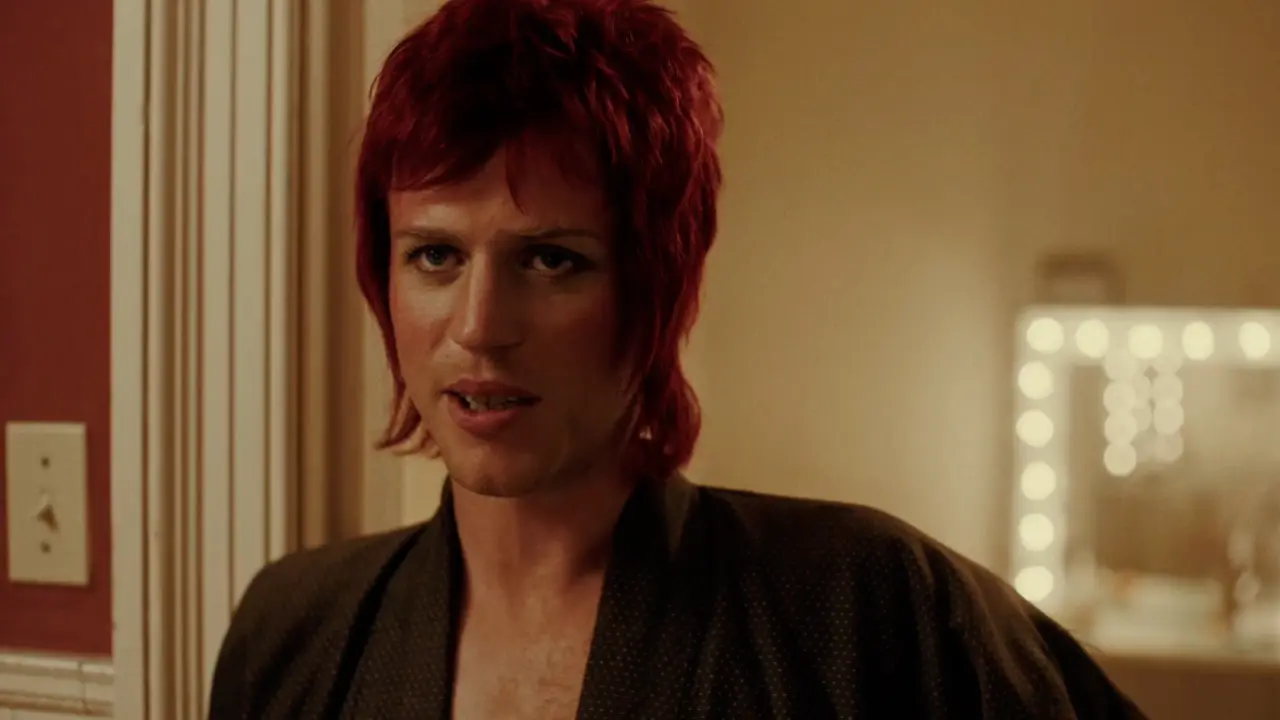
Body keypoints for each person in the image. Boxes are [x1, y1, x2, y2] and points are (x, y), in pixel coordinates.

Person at [209, 0, 1147, 717]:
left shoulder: (870, 610)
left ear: (655, 287)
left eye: (551, 259)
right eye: (435, 256)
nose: (481, 325)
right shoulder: (295, 633)